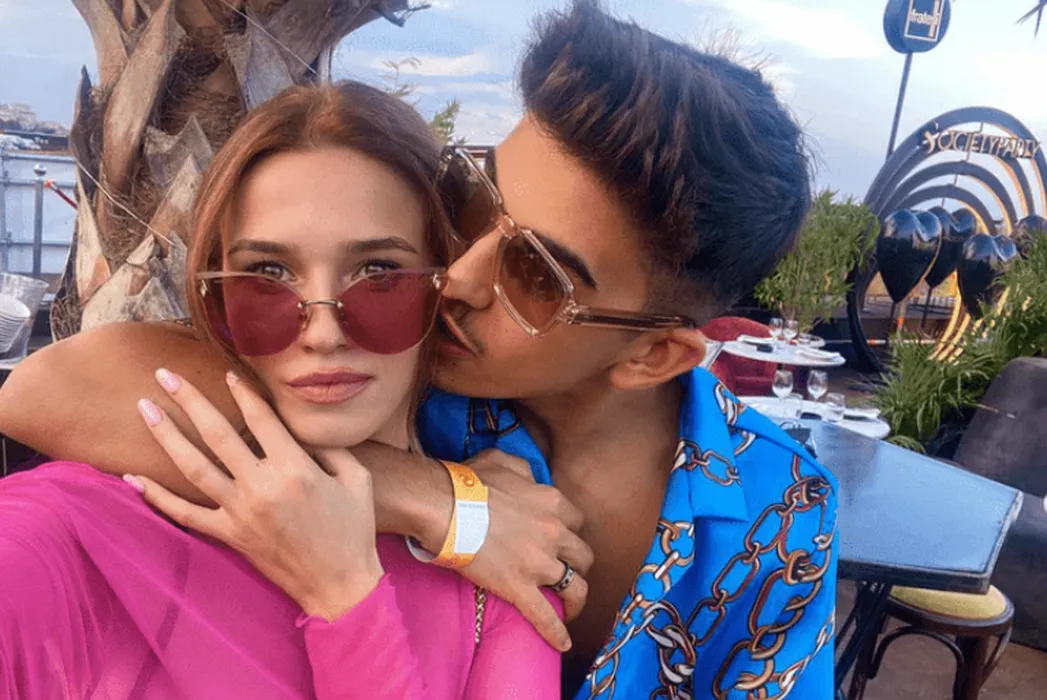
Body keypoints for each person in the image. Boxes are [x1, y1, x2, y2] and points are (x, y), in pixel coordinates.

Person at [0, 2, 838, 698]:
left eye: (536, 274)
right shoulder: (398, 364)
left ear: (652, 356)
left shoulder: (780, 511)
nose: (460, 274)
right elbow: (53, 391)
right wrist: (433, 497)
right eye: (474, 198)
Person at [0, 81, 560, 698]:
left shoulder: (504, 566)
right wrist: (423, 497)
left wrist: (347, 598)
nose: (323, 333)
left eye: (379, 272)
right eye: (267, 275)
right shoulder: (80, 534)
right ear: (217, 300)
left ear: (442, 286)